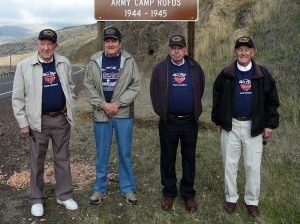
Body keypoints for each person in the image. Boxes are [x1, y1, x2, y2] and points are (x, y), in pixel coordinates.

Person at [12, 29, 78, 217]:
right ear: (37, 45)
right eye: (43, 43)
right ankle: (36, 199)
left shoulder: (64, 63)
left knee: (62, 158)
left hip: (60, 119)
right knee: (37, 161)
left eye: (50, 44)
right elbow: (17, 98)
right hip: (36, 121)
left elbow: (70, 87)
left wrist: (69, 106)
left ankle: (64, 195)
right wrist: (23, 122)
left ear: (55, 46)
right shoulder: (24, 66)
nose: (46, 47)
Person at [211, 36, 280, 217]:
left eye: (247, 49)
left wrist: (270, 125)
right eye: (240, 49)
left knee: (252, 166)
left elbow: (272, 101)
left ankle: (252, 201)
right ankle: (231, 198)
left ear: (253, 52)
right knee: (229, 164)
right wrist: (218, 120)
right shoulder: (226, 73)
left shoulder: (262, 75)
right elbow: (217, 97)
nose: (243, 52)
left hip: (254, 126)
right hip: (231, 126)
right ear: (235, 52)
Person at [84, 26, 140, 205]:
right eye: (107, 41)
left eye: (114, 41)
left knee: (125, 152)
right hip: (101, 114)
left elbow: (135, 85)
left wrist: (117, 103)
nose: (110, 44)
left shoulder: (129, 60)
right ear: (104, 43)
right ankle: (99, 189)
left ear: (120, 43)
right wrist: (103, 105)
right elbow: (88, 85)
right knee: (102, 153)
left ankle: (127, 188)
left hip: (123, 114)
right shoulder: (94, 60)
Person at [150, 35, 205, 213]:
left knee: (189, 158)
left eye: (179, 47)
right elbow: (154, 93)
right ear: (169, 50)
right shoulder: (160, 69)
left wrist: (193, 108)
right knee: (168, 158)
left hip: (189, 121)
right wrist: (162, 112)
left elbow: (200, 88)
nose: (176, 50)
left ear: (185, 50)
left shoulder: (195, 68)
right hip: (169, 121)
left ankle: (188, 194)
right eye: (173, 47)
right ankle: (169, 192)